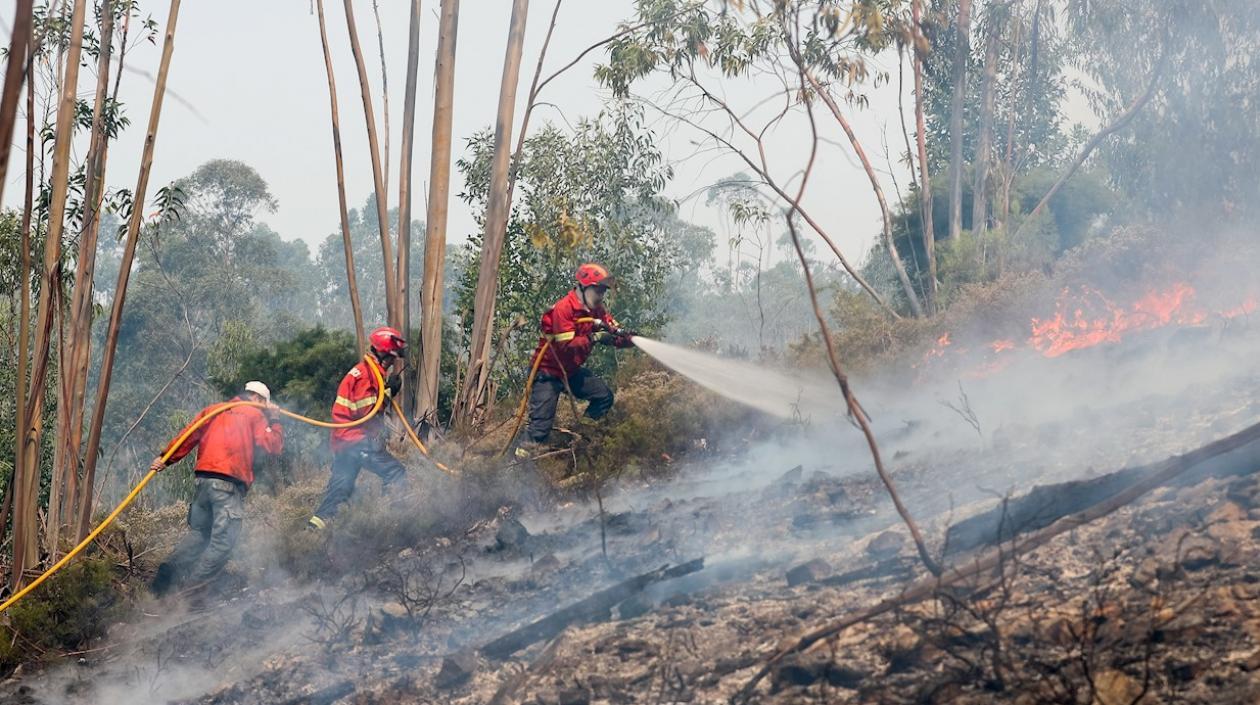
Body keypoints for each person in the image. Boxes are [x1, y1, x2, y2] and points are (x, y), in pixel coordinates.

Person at [149, 381, 284, 596]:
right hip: (227, 484)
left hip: (203, 481)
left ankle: (162, 585)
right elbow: (273, 446)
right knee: (223, 544)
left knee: (200, 535)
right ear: (258, 399)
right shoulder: (255, 414)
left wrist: (166, 458)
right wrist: (274, 420)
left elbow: (188, 435)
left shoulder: (213, 410)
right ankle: (188, 596)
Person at [516, 263, 635, 459]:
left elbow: (612, 331)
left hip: (570, 372)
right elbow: (567, 345)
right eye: (598, 291)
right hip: (547, 373)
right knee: (540, 428)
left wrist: (630, 339)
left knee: (603, 397)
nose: (601, 296)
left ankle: (582, 438)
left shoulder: (596, 311)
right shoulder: (564, 309)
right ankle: (516, 464)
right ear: (584, 287)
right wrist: (595, 337)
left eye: (603, 292)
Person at [307, 326, 407, 531]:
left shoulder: (366, 371)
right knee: (396, 472)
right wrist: (389, 392)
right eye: (391, 358)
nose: (392, 363)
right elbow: (366, 411)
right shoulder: (366, 375)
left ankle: (312, 532)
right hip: (356, 440)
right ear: (383, 354)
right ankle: (395, 523)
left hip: (345, 442)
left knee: (339, 492)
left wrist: (386, 389)